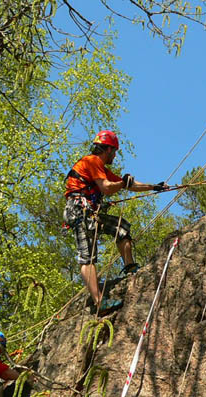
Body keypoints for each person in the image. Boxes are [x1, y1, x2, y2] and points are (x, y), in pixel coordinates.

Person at [63, 129, 168, 315]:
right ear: (108, 149)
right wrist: (121, 184)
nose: (115, 155)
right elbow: (107, 187)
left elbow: (127, 184)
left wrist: (154, 187)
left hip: (89, 212)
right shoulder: (92, 161)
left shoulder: (101, 168)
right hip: (79, 211)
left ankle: (129, 267)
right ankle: (98, 302)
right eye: (115, 152)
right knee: (88, 256)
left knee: (121, 228)